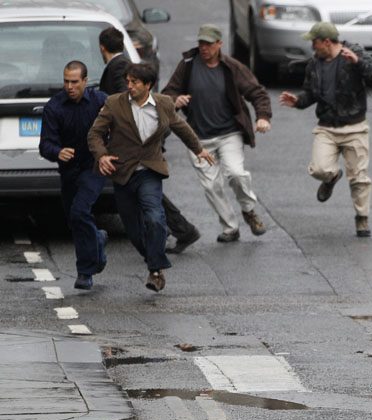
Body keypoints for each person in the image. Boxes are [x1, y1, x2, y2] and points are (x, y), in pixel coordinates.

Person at [88, 63, 214, 292]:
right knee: (134, 231)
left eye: (135, 82)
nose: (130, 86)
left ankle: (155, 271)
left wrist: (199, 149)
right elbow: (95, 134)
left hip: (149, 169)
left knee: (155, 217)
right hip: (123, 171)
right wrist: (102, 156)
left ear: (148, 85)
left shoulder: (164, 103)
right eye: (128, 81)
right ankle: (153, 259)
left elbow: (180, 126)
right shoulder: (114, 103)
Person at [162, 23, 272, 243]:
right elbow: (168, 93)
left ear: (219, 44)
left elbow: (256, 92)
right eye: (201, 43)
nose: (204, 48)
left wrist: (263, 117)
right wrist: (176, 100)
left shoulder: (231, 67)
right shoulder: (188, 65)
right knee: (212, 186)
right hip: (198, 138)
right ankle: (230, 227)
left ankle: (249, 211)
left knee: (236, 173)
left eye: (209, 44)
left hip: (229, 133)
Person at [99, 26, 201, 254]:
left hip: (139, 139)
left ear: (101, 48)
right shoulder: (121, 65)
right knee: (143, 187)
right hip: (138, 139)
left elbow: (123, 102)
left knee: (140, 186)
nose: (130, 84)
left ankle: (171, 230)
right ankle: (180, 229)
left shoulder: (119, 68)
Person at [279, 22, 372, 237]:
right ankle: (331, 178)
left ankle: (362, 218)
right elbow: (310, 93)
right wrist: (297, 100)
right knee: (319, 168)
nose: (312, 47)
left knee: (359, 177)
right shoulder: (314, 64)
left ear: (326, 42)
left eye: (314, 42)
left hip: (354, 127)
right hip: (326, 127)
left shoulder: (353, 53)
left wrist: (358, 62)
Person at [39, 61, 108, 290]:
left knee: (80, 211)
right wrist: (58, 151)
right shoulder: (54, 107)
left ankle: (85, 272)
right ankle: (97, 239)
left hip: (94, 167)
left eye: (75, 82)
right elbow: (45, 145)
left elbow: (121, 124)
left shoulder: (101, 101)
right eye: (66, 81)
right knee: (75, 220)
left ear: (85, 82)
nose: (70, 86)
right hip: (69, 173)